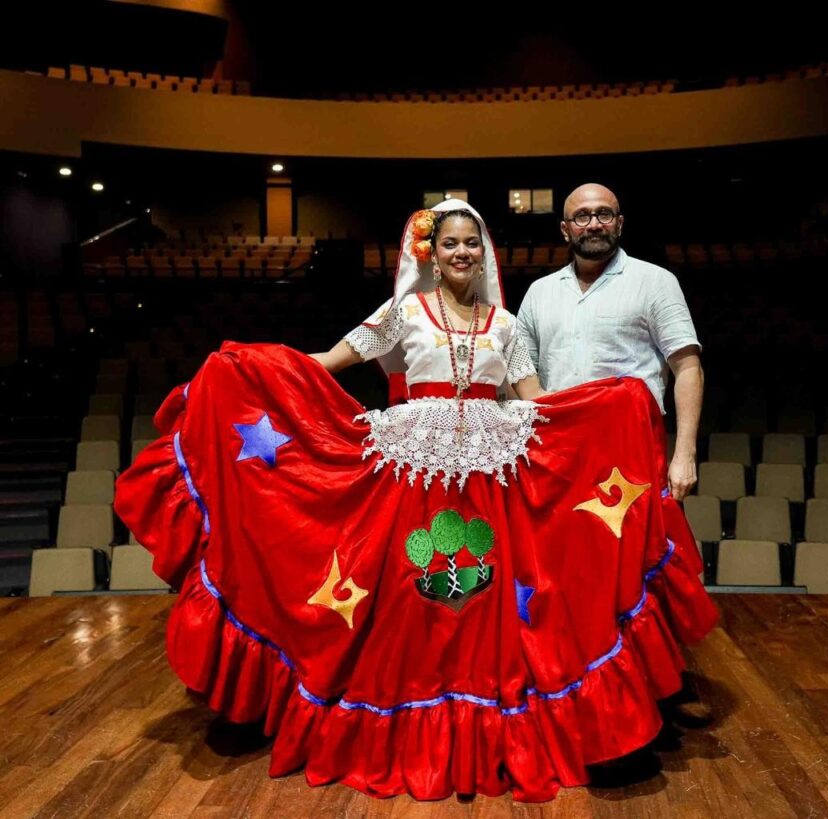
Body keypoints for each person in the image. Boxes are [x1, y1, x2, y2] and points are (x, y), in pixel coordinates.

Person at [114, 199, 717, 802]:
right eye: (451, 243)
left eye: (472, 244)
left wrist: (616, 405)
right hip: (411, 474)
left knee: (485, 607)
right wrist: (251, 368)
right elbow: (327, 364)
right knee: (407, 599)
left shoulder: (506, 325)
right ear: (432, 252)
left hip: (489, 475)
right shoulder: (404, 312)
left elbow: (535, 399)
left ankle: (485, 716)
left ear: (485, 255)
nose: (462, 253)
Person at [517, 183, 704, 501]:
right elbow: (518, 373)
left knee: (631, 548)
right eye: (581, 216)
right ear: (565, 230)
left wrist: (685, 453)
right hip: (557, 450)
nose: (593, 224)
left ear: (619, 222)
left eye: (603, 214)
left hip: (631, 446)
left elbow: (688, 367)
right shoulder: (539, 292)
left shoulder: (655, 282)